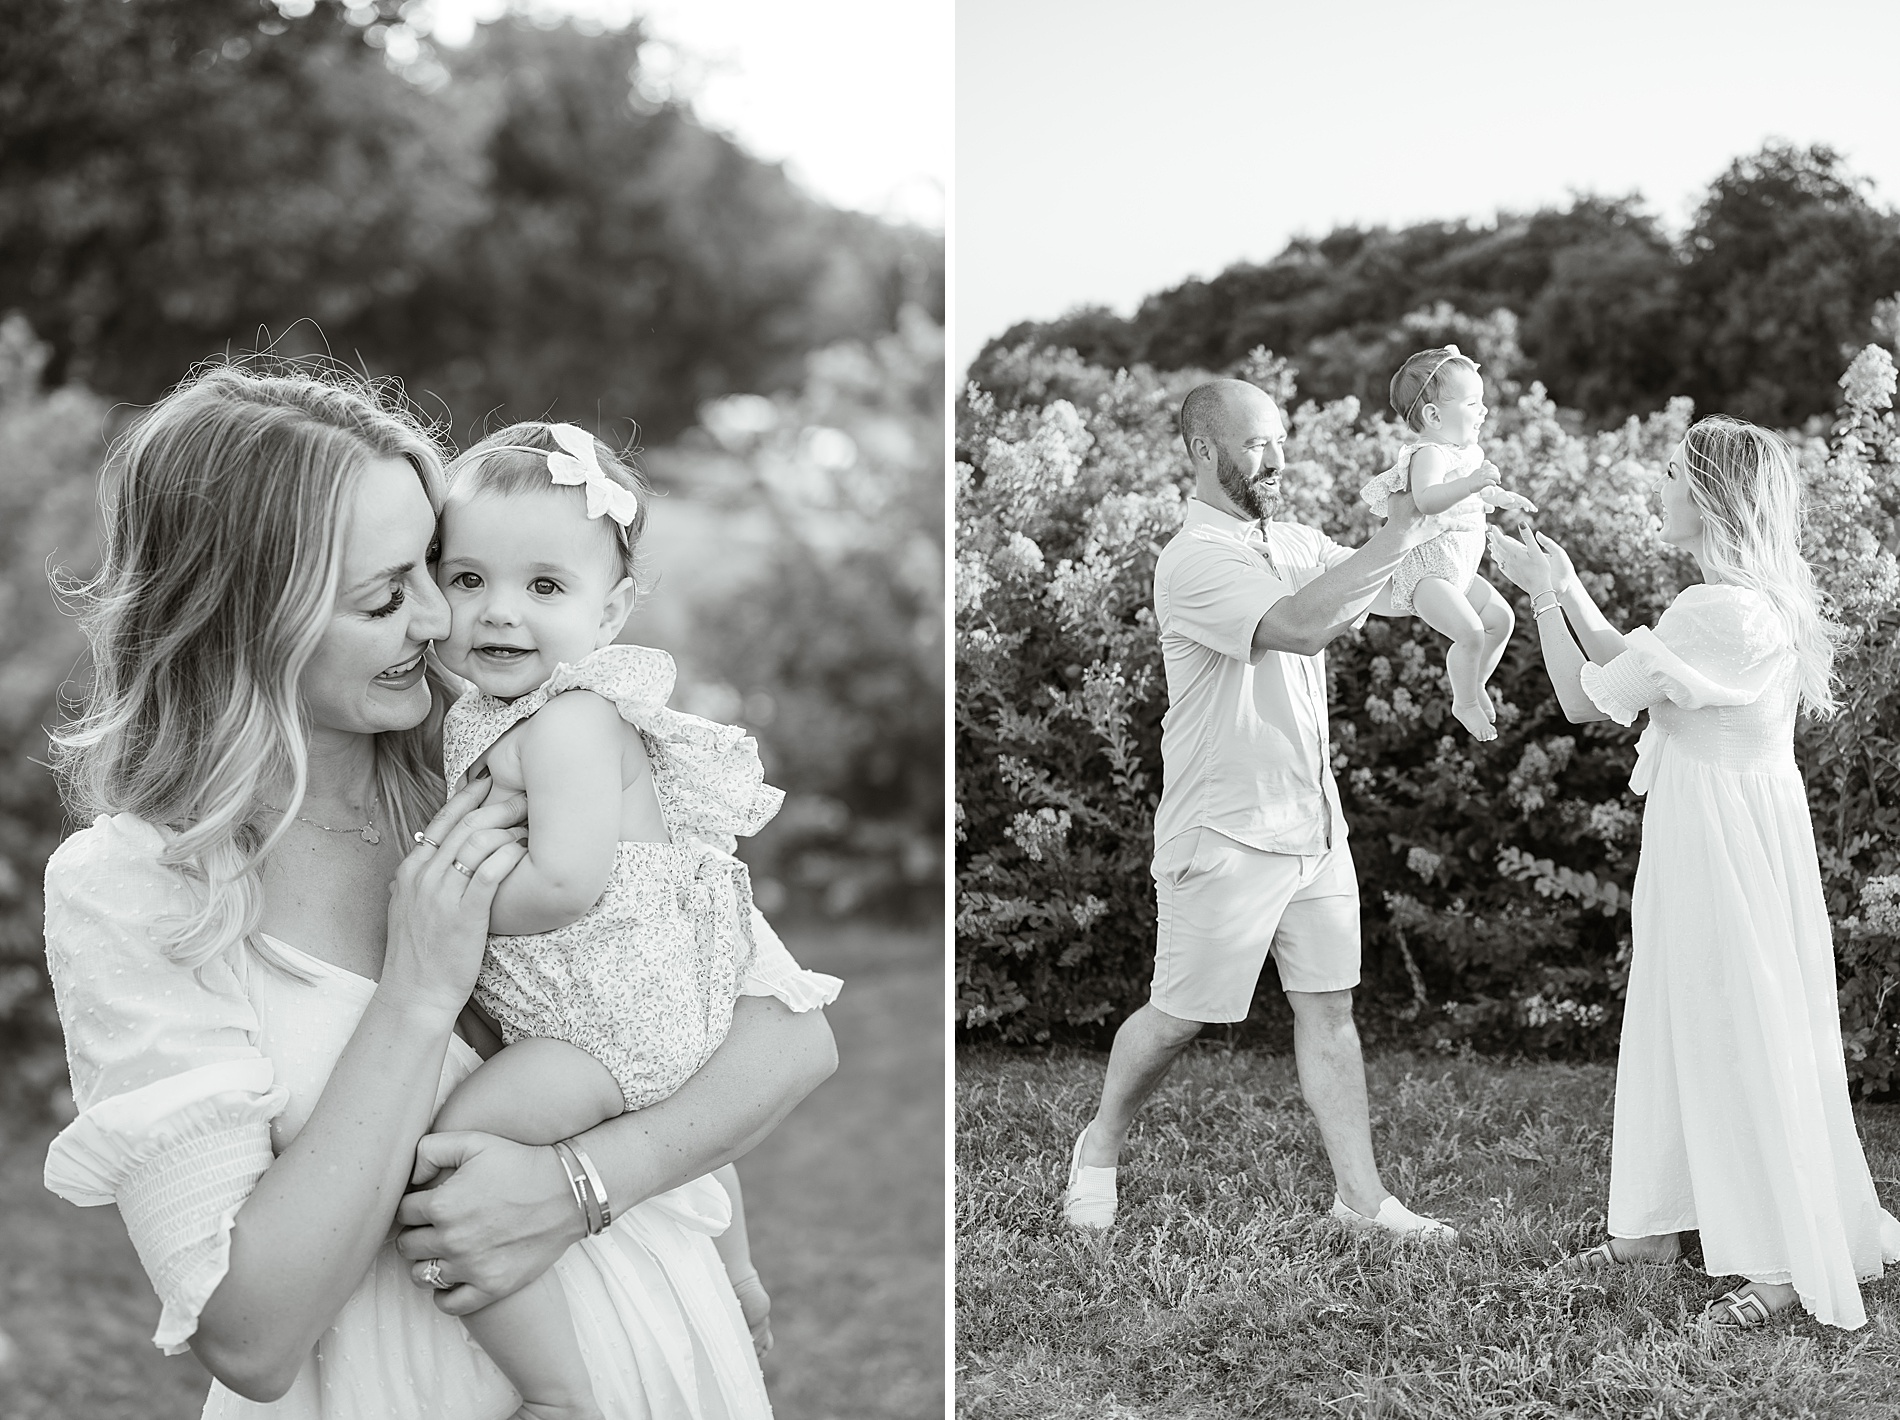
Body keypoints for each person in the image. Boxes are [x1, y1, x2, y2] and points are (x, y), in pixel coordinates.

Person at [39, 364, 837, 1418]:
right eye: (386, 593)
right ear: (243, 618)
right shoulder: (136, 886)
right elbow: (252, 1333)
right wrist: (416, 997)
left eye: (432, 566)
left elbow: (787, 1037)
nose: (436, 619)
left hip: (648, 1357)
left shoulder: (499, 744)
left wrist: (579, 1185)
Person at [416, 420, 838, 1418]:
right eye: (467, 579)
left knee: (445, 1164)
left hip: (601, 1022)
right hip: (646, 1008)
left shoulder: (566, 719)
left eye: (544, 587)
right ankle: (735, 1273)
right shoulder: (516, 713)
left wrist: (442, 908)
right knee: (680, 1119)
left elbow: (565, 883)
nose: (499, 613)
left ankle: (556, 1390)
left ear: (610, 614)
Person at [1487, 415, 1900, 1330]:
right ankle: (1652, 1227)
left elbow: (1584, 700)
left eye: (1672, 473)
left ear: (1710, 496)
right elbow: (1635, 667)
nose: (1658, 486)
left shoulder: (1715, 611)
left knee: (1731, 1022)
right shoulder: (1736, 602)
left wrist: (1543, 602)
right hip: (1733, 832)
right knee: (1691, 1014)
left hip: (1721, 843)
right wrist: (1564, 583)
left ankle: (1782, 1264)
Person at [1060, 377, 1457, 1242]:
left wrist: (1446, 544)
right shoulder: (1195, 559)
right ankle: (1099, 1148)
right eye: (1255, 444)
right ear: (1204, 452)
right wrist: (1394, 534)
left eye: (1280, 440)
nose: (1274, 458)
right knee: (1177, 1019)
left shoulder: (1300, 540)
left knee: (1329, 1010)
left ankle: (1360, 1199)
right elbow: (1303, 627)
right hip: (1225, 830)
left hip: (1314, 825)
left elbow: (1387, 590)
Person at [1357, 345, 1534, 742]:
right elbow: (1426, 500)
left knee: (1500, 621)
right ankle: (1465, 701)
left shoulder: (1464, 454)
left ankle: (1473, 685)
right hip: (1427, 575)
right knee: (1470, 633)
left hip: (1458, 571)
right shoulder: (1428, 455)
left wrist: (1500, 497)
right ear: (1434, 416)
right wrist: (1471, 482)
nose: (1484, 410)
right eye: (1473, 403)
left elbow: (1474, 496)